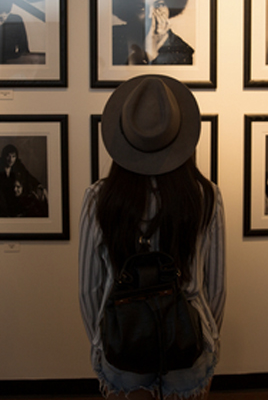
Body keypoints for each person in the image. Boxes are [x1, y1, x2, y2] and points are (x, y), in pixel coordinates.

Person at [79, 74, 226, 400]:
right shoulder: (205, 195)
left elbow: (89, 290)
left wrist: (100, 345)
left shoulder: (99, 198)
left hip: (124, 340)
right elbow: (215, 288)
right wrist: (208, 338)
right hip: (188, 341)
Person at [111, 0, 194, 66]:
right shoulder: (111, 37)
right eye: (141, 8)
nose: (150, 15)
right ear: (130, 11)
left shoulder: (182, 51)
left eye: (159, 5)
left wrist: (152, 55)